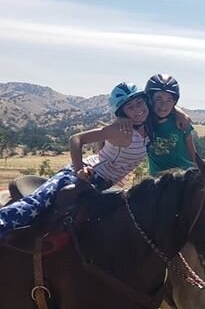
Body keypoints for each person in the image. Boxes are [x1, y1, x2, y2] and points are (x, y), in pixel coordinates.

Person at [0, 82, 150, 239]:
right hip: (83, 174)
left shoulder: (149, 127)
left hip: (103, 185)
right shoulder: (120, 130)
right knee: (35, 205)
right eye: (130, 107)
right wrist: (79, 170)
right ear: (122, 113)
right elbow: (76, 139)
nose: (138, 109)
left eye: (139, 103)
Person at [144, 73, 197, 176]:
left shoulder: (181, 123)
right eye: (158, 99)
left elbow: (192, 153)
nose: (164, 105)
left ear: (174, 102)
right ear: (150, 99)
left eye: (169, 100)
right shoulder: (143, 123)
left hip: (185, 178)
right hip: (158, 182)